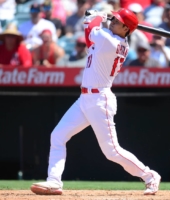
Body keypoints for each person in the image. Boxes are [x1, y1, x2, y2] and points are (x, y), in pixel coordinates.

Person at [30, 8, 161, 196]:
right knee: (58, 136)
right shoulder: (110, 37)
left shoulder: (110, 41)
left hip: (100, 99)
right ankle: (54, 181)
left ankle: (150, 176)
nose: (114, 21)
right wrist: (101, 16)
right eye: (114, 19)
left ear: (126, 29)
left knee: (112, 151)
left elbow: (90, 30)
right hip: (85, 98)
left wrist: (97, 15)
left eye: (118, 20)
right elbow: (92, 33)